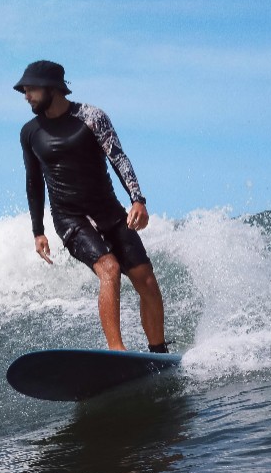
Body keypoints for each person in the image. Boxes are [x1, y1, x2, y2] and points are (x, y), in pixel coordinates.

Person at [15, 60, 168, 353]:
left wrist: (137, 199)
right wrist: (38, 231)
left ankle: (158, 352)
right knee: (109, 268)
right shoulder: (30, 132)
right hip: (69, 218)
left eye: (31, 89)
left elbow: (118, 157)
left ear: (52, 88)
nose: (26, 96)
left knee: (146, 280)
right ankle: (117, 351)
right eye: (24, 90)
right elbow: (33, 182)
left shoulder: (92, 117)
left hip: (108, 211)